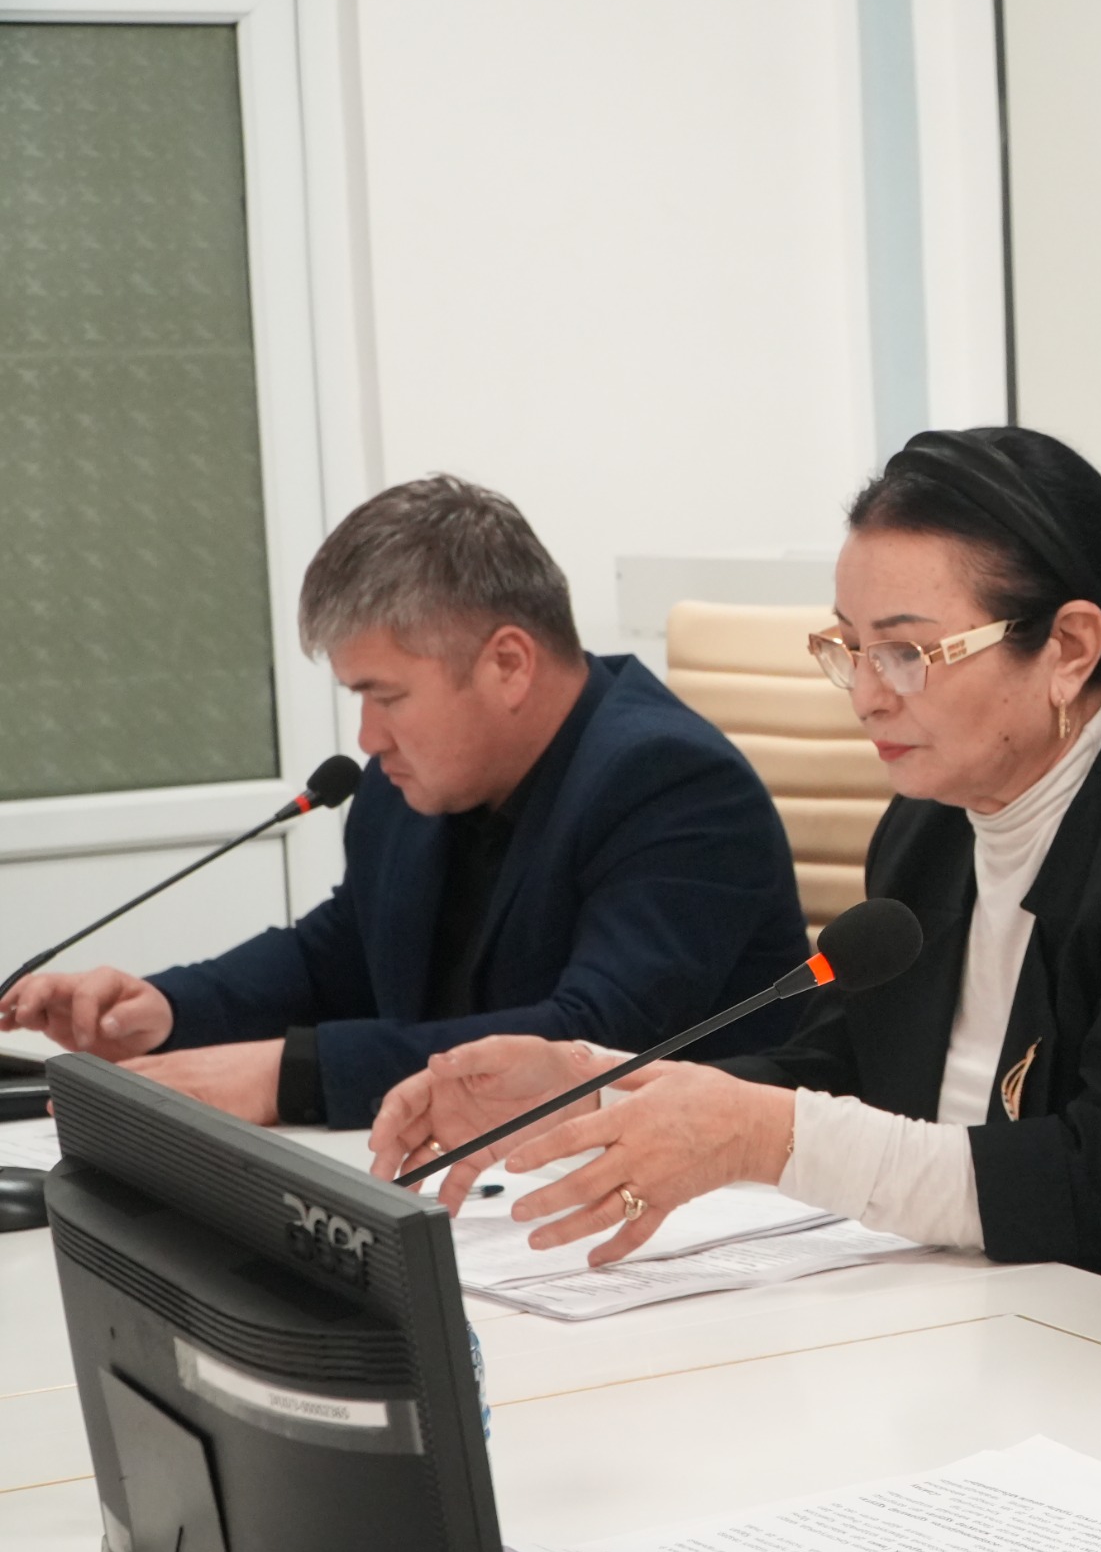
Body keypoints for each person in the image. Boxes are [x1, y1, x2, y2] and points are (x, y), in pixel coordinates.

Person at [370, 428, 1101, 1301]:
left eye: (907, 653)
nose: (865, 694)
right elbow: (835, 1071)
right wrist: (590, 1085)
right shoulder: (927, 830)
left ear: (1069, 648)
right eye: (849, 648)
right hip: (979, 1314)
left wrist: (767, 1136)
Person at [0, 476, 811, 1128]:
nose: (368, 735)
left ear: (508, 664)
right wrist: (170, 1007)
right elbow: (343, 952)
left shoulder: (672, 785)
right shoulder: (412, 782)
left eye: (386, 696)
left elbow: (588, 1039)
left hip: (698, 1222)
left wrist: (291, 1076)